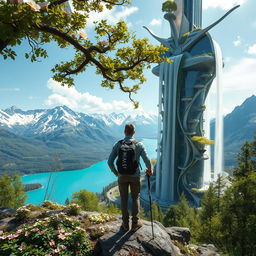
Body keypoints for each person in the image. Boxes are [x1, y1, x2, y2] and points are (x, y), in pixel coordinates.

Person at [108, 123, 153, 231]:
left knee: (123, 198)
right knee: (135, 197)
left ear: (124, 132)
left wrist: (116, 172)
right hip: (135, 176)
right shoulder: (139, 145)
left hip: (122, 176)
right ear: (134, 132)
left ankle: (125, 223)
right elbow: (147, 160)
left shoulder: (118, 144)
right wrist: (150, 170)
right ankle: (135, 223)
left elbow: (110, 162)